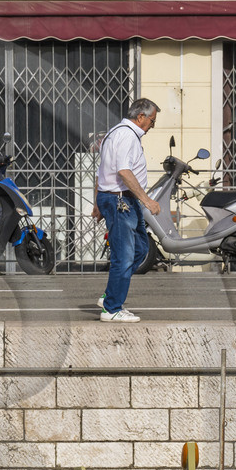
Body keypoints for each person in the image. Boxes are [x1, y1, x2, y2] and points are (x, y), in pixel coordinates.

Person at [94, 98, 160, 323]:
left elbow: (102, 169)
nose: (152, 126)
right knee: (124, 256)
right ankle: (112, 309)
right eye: (152, 121)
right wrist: (147, 200)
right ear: (141, 116)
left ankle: (110, 295)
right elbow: (123, 171)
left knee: (141, 250)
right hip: (120, 201)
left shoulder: (116, 132)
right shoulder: (126, 135)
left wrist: (97, 203)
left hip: (120, 200)